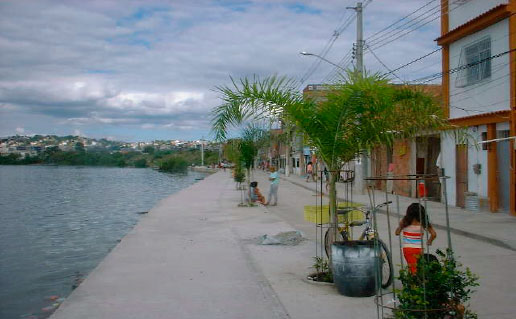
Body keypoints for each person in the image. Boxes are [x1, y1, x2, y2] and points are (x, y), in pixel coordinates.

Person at [395, 203, 437, 274]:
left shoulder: (405, 221)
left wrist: (400, 227)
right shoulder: (423, 222)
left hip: (408, 249)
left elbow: (397, 233)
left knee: (413, 268)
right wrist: (429, 241)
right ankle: (413, 282)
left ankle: (413, 283)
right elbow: (433, 234)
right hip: (419, 249)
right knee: (416, 267)